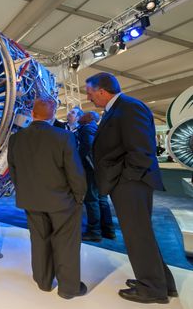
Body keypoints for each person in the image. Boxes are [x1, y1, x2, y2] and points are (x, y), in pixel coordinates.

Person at [86, 72, 177, 304]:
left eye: (90, 93)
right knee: (141, 234)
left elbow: (141, 150)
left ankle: (152, 289)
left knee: (137, 235)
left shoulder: (128, 107)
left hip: (131, 184)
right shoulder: (119, 108)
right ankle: (162, 283)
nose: (89, 98)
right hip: (128, 182)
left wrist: (125, 179)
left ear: (102, 91)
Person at [7, 98, 87, 299]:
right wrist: (79, 196)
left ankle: (43, 282)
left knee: (39, 240)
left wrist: (24, 192)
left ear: (32, 114)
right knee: (66, 243)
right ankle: (69, 288)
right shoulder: (64, 137)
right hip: (62, 201)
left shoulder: (16, 139)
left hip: (31, 200)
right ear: (52, 116)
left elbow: (14, 171)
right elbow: (75, 172)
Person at [76, 111, 115, 241]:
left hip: (91, 171)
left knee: (91, 200)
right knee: (102, 200)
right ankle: (108, 230)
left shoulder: (87, 129)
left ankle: (94, 232)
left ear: (90, 118)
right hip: (100, 170)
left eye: (83, 115)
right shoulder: (96, 129)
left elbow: (88, 149)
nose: (80, 117)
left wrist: (79, 161)